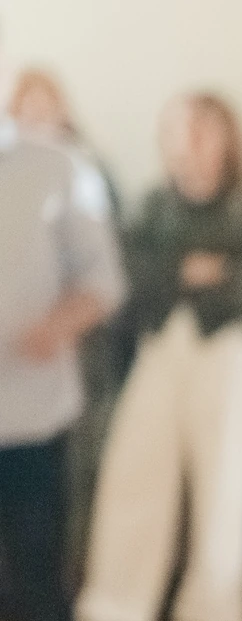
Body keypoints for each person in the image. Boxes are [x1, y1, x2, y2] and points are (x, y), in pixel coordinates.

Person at [76, 92, 242, 621]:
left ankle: (213, 615)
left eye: (203, 128)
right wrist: (191, 272)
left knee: (225, 480)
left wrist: (181, 276)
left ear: (227, 139)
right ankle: (116, 609)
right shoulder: (150, 210)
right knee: (134, 471)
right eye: (180, 129)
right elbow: (132, 281)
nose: (190, 141)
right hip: (163, 347)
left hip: (231, 352)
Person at [0, 46, 125, 621]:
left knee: (45, 609)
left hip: (33, 426)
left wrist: (56, 325)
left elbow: (103, 281)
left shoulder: (55, 169)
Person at [7, 67, 133, 588]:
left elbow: (105, 278)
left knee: (41, 566)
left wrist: (57, 326)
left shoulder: (71, 170)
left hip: (42, 398)